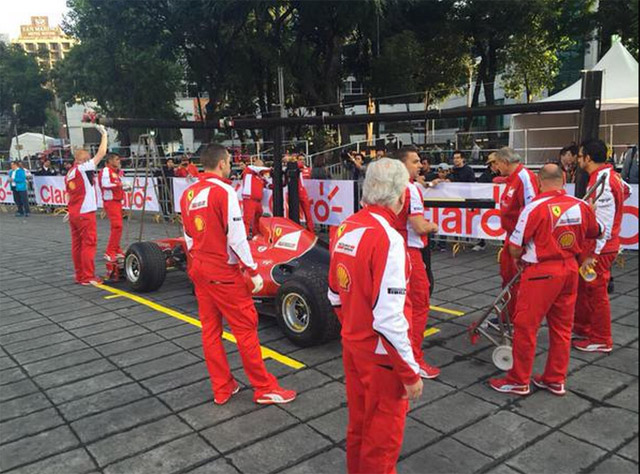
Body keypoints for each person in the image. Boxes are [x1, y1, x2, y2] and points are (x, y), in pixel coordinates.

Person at [180, 143, 296, 405]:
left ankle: (222, 387)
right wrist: (253, 269)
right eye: (229, 160)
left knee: (210, 331)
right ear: (221, 163)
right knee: (245, 328)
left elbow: (187, 236)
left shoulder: (187, 193)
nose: (231, 165)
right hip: (223, 270)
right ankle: (263, 387)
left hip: (200, 267)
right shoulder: (224, 191)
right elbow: (237, 237)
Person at [328, 158, 422, 474]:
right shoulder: (390, 240)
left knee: (359, 425)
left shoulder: (346, 226)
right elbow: (389, 318)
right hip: (382, 357)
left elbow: (334, 294)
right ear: (400, 197)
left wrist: (354, 330)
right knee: (382, 441)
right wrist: (410, 372)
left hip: (354, 347)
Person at [489, 164, 603, 396]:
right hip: (570, 268)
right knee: (562, 328)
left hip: (541, 272)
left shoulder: (535, 207)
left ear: (540, 182)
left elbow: (513, 248)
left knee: (526, 328)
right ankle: (555, 378)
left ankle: (519, 380)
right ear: (564, 179)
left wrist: (522, 256)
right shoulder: (581, 205)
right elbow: (597, 231)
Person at [573, 139, 631, 352]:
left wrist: (593, 254)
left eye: (579, 156)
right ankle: (587, 329)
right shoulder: (608, 175)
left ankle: (601, 338)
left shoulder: (603, 181)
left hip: (599, 248)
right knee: (588, 289)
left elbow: (603, 224)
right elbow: (626, 191)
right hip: (600, 246)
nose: (578, 159)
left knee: (596, 292)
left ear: (588, 157)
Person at [394, 146, 440, 379]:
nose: (420, 165)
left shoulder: (388, 186)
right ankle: (414, 361)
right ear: (402, 164)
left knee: (397, 307)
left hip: (390, 250)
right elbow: (419, 226)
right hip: (409, 253)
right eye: (415, 161)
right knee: (419, 305)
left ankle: (399, 357)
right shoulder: (411, 189)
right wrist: (434, 226)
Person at [493, 147, 538, 319]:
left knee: (516, 279)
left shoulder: (524, 177)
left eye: (497, 163)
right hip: (512, 236)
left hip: (519, 240)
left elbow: (532, 209)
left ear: (505, 162)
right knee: (507, 276)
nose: (496, 167)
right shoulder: (514, 178)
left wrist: (523, 242)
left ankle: (517, 317)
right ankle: (508, 315)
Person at [64, 125, 108, 285]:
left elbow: (68, 193)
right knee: (89, 244)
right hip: (85, 212)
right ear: (82, 160)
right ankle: (88, 276)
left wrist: (69, 210)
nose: (91, 161)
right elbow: (101, 154)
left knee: (77, 245)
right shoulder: (83, 169)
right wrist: (104, 135)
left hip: (75, 211)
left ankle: (80, 275)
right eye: (88, 158)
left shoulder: (70, 172)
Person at [98, 153, 126, 262]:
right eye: (117, 159)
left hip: (116, 201)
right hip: (111, 201)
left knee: (118, 227)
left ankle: (116, 249)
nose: (119, 161)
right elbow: (105, 184)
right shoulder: (106, 170)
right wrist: (120, 185)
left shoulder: (114, 172)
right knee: (117, 226)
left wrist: (123, 187)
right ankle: (109, 251)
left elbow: (113, 184)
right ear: (110, 161)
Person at [241, 159, 269, 236]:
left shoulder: (260, 177)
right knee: (248, 219)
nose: (262, 166)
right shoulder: (249, 169)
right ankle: (244, 236)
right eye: (261, 164)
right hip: (249, 199)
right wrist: (272, 170)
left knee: (258, 218)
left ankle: (255, 234)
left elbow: (267, 185)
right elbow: (260, 169)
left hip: (258, 201)